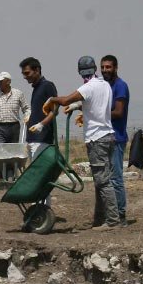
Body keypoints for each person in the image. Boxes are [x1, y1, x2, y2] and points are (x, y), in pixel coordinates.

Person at [46, 56, 119, 231]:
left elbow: (65, 100)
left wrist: (52, 99)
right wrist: (79, 107)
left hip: (96, 138)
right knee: (101, 181)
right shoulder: (105, 85)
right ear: (95, 69)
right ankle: (100, 219)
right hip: (108, 135)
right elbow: (96, 105)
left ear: (80, 72)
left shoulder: (88, 87)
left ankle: (112, 220)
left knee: (103, 182)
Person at [101, 55, 131, 226]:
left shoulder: (120, 86)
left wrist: (97, 114)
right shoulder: (105, 86)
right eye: (103, 67)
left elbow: (118, 112)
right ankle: (110, 214)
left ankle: (121, 215)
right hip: (105, 137)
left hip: (116, 138)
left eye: (108, 67)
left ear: (115, 68)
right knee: (106, 179)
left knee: (116, 179)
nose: (105, 70)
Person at [19, 58, 58, 160]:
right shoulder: (36, 88)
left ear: (37, 70)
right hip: (32, 139)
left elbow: (55, 110)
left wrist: (41, 124)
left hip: (42, 139)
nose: (25, 77)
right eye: (23, 74)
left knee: (40, 168)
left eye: (27, 73)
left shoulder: (47, 86)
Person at [0, 71, 31, 144]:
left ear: (8, 82)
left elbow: (26, 108)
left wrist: (27, 116)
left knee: (13, 149)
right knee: (0, 148)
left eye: (1, 81)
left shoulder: (18, 94)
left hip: (14, 127)